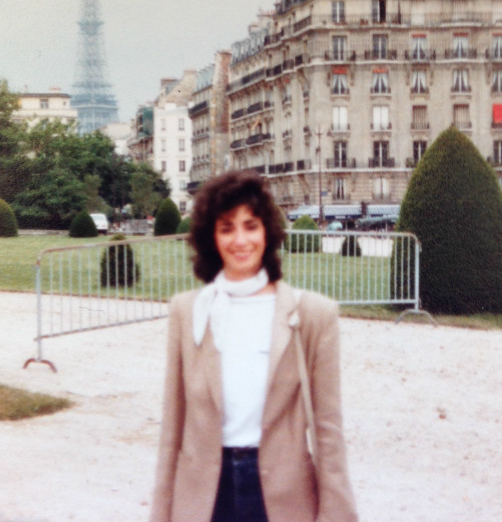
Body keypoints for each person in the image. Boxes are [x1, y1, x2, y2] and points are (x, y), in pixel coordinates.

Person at [149, 170, 357, 522]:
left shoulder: (312, 315)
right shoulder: (187, 312)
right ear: (211, 236)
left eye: (251, 225)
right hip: (203, 494)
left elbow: (328, 432)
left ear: (267, 232)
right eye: (227, 227)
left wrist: (336, 514)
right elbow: (173, 427)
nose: (240, 240)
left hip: (282, 495)